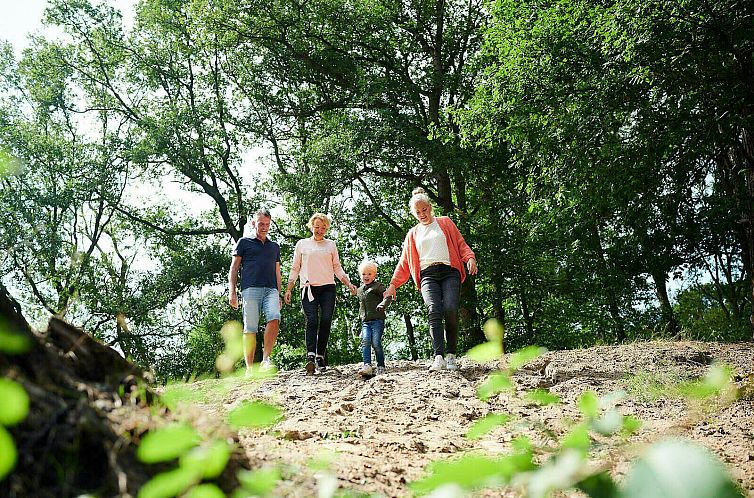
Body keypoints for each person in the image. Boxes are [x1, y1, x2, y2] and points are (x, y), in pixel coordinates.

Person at [383, 187, 478, 372]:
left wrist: (470, 258)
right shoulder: (413, 234)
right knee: (434, 309)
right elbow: (404, 263)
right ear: (414, 214)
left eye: (424, 210)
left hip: (450, 272)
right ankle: (438, 357)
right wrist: (393, 285)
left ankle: (451, 355)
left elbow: (461, 244)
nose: (422, 214)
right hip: (427, 275)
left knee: (450, 309)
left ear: (430, 207)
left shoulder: (445, 223)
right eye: (418, 212)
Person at [284, 213, 357, 374]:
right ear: (311, 226)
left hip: (328, 288)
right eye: (317, 227)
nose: (319, 230)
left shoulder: (330, 245)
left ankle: (320, 356)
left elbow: (337, 267)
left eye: (323, 228)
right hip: (308, 288)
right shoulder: (302, 244)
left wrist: (348, 283)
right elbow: (295, 267)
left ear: (326, 229)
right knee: (311, 320)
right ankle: (310, 356)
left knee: (325, 320)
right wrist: (289, 288)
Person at [228, 208, 282, 376]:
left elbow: (277, 271)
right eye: (261, 224)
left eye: (267, 224)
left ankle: (266, 360)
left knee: (274, 318)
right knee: (250, 328)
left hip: (271, 289)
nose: (264, 227)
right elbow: (234, 268)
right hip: (250, 289)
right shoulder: (244, 242)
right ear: (253, 224)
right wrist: (232, 292)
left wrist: (279, 293)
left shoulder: (274, 247)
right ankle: (250, 369)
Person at [356, 260, 390, 377]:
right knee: (365, 341)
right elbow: (361, 305)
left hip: (377, 320)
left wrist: (383, 304)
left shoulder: (378, 286)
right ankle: (367, 365)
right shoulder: (360, 290)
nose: (366, 276)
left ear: (374, 275)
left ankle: (380, 365)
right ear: (360, 275)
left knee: (376, 342)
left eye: (369, 274)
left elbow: (388, 296)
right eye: (364, 274)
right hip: (365, 322)